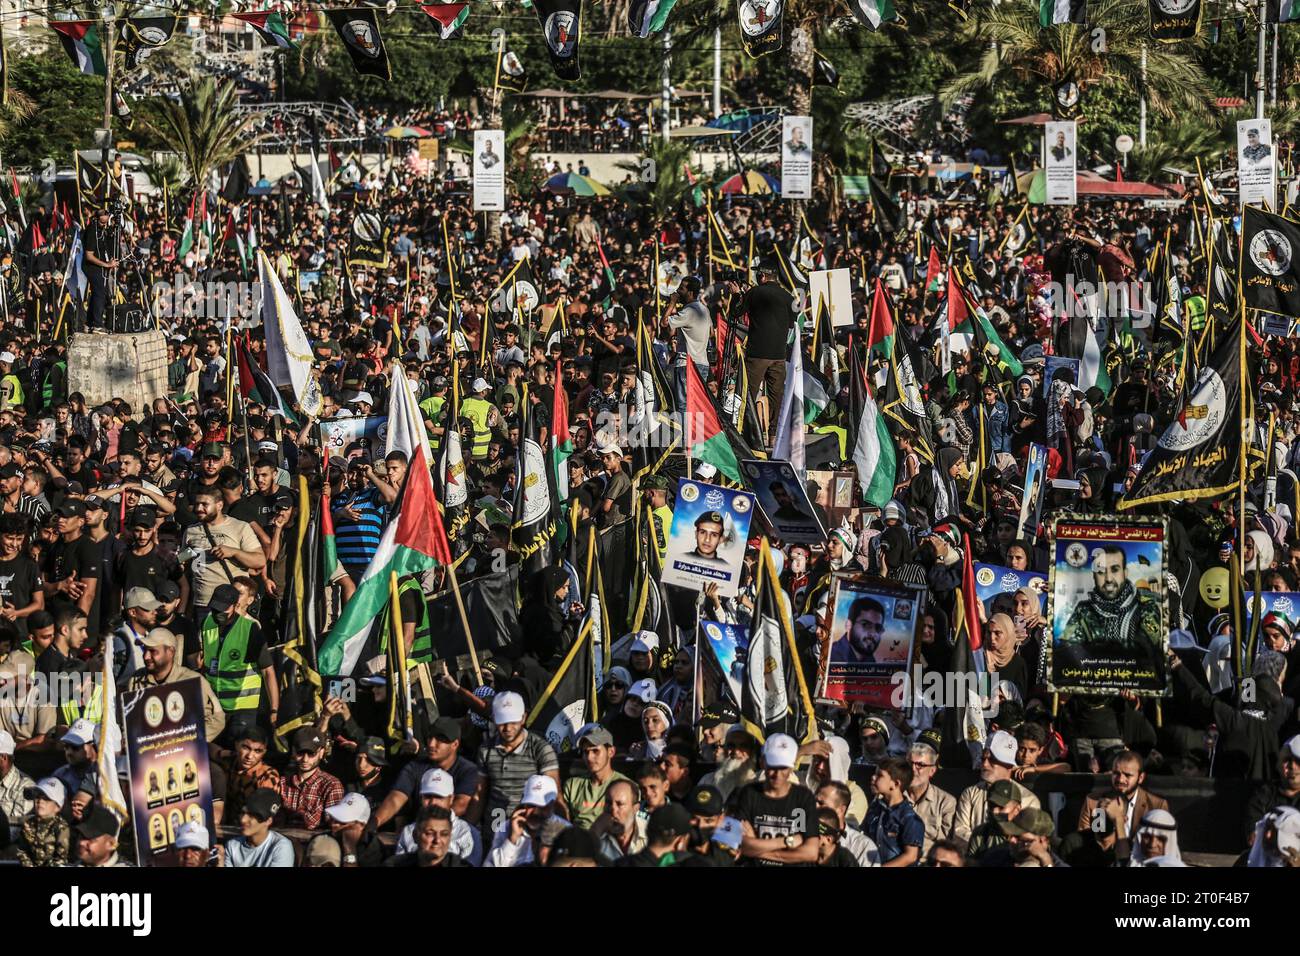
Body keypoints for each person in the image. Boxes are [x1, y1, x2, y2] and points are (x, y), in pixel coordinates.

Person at [1058, 546, 1163, 675]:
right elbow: (1067, 652)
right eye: (1101, 571)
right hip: (1091, 686)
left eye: (1115, 570)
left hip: (1137, 686)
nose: (1108, 579)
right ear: (1094, 576)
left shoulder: (1145, 607)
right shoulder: (1083, 610)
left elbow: (1145, 650)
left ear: (1125, 573)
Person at [733, 733, 820, 866]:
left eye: (783, 767)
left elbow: (811, 852)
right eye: (773, 767)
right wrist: (787, 841)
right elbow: (738, 843)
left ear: (791, 767)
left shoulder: (803, 797)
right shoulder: (749, 793)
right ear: (762, 763)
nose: (777, 774)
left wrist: (756, 849)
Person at [863, 757, 924, 867]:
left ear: (896, 784)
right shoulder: (875, 807)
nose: (873, 777)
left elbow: (911, 856)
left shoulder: (909, 818)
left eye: (879, 775)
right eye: (874, 773)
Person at [225, 787, 295, 868]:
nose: (243, 820)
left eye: (251, 815)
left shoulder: (281, 847)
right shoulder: (232, 845)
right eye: (242, 813)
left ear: (268, 821)